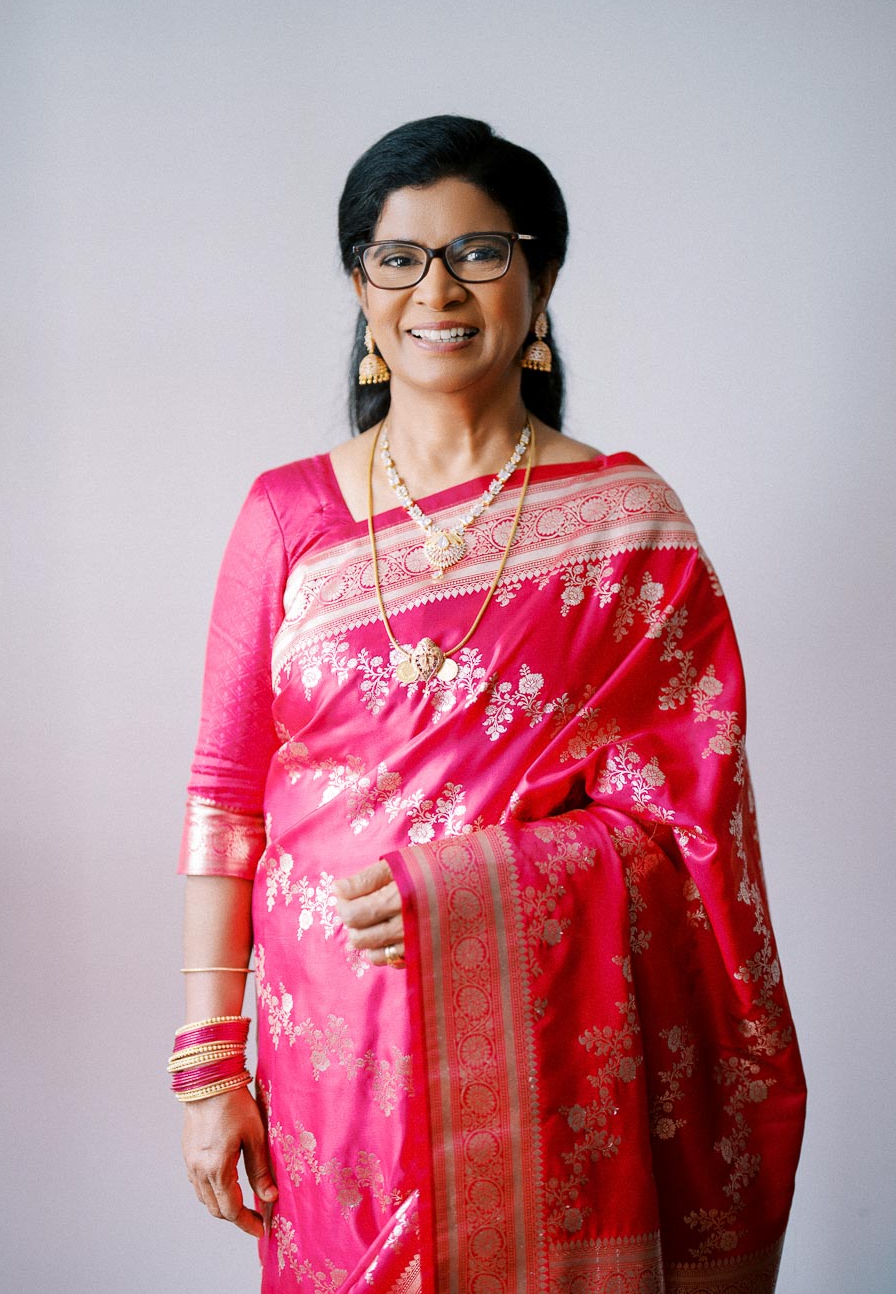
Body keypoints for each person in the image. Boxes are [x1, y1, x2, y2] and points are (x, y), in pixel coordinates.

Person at [174, 115, 806, 1293]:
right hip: (334, 1062)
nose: (437, 290)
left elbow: (688, 837)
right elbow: (225, 797)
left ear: (542, 275)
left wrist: (471, 895)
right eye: (397, 257)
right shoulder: (286, 518)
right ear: (361, 288)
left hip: (547, 1062)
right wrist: (212, 1065)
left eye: (479, 252)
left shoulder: (629, 527)